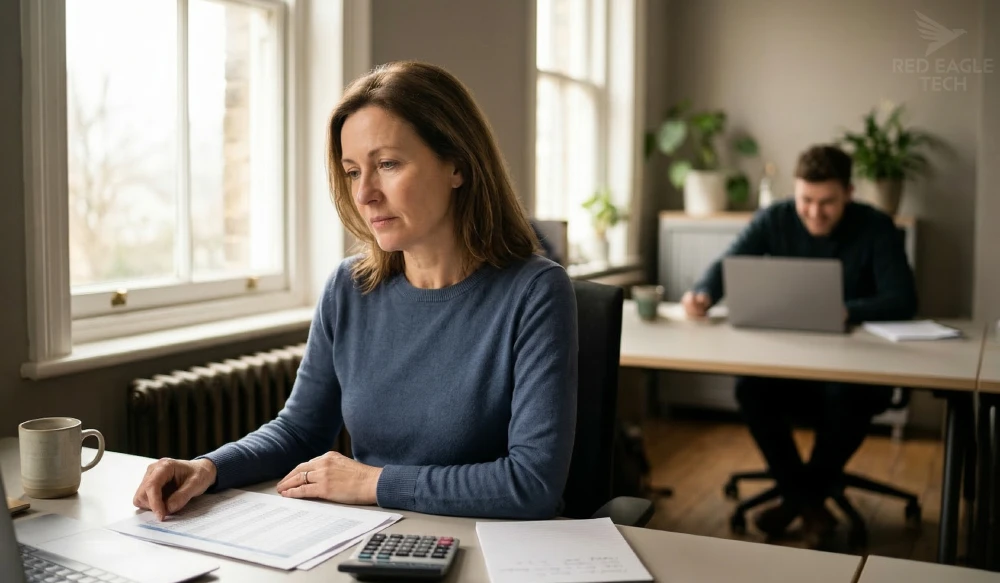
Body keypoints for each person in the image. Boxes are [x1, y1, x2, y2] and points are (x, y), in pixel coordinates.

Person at [132, 61, 579, 521]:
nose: (364, 193)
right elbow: (300, 431)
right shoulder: (348, 289)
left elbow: (533, 483)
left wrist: (372, 481)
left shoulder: (535, 292)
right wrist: (207, 467)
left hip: (495, 548)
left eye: (387, 164)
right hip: (375, 538)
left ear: (458, 166)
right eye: (351, 171)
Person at [681, 144, 917, 546]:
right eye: (806, 200)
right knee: (749, 388)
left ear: (849, 193)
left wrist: (845, 310)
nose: (813, 212)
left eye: (828, 202)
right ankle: (809, 503)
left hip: (859, 369)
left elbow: (903, 299)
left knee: (848, 396)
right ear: (795, 190)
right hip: (791, 364)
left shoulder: (876, 226)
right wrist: (702, 292)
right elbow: (727, 264)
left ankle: (796, 501)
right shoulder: (776, 217)